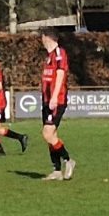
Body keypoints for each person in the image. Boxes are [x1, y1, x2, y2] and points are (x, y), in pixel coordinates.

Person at [39, 31, 76, 180]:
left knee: (47, 133)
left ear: (47, 38)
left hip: (57, 100)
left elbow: (60, 74)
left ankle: (68, 160)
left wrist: (54, 97)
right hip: (47, 101)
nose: (41, 39)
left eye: (42, 36)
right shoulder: (49, 57)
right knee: (51, 136)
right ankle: (56, 170)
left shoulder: (59, 52)